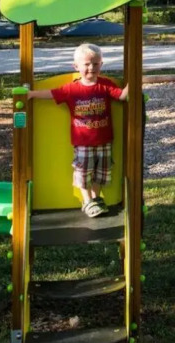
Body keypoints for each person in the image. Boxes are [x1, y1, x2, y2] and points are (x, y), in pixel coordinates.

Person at [27, 43, 128, 217]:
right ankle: (87, 200)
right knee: (83, 173)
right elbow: (52, 93)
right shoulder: (72, 89)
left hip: (104, 141)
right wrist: (31, 94)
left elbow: (122, 96)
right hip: (83, 143)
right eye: (87, 64)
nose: (91, 68)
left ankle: (95, 199)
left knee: (102, 173)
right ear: (76, 67)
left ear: (101, 65)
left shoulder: (105, 85)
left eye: (96, 64)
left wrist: (134, 80)